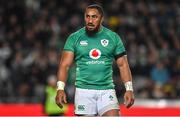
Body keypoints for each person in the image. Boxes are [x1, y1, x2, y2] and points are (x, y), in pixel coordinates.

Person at [55, 4, 135, 116]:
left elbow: (123, 65)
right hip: (84, 91)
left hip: (106, 90)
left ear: (102, 18)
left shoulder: (113, 37)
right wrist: (60, 88)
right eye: (87, 16)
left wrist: (129, 89)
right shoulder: (74, 38)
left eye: (94, 17)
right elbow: (64, 65)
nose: (90, 20)